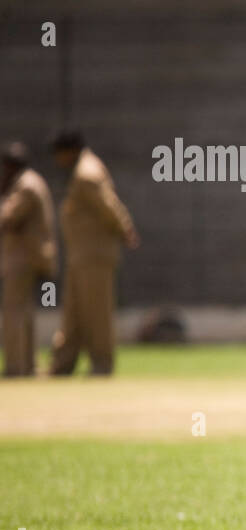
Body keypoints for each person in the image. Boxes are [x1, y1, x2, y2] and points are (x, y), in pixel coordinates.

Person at [47, 130, 140, 376]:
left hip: (94, 256)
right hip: (82, 255)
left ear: (70, 150)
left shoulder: (87, 173)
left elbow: (108, 206)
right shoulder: (83, 170)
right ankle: (63, 365)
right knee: (75, 314)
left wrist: (125, 228)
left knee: (97, 313)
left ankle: (102, 364)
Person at [0, 142, 58, 377]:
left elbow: (6, 217)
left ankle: (16, 366)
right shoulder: (33, 181)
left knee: (14, 310)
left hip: (23, 258)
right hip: (33, 256)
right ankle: (27, 365)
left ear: (10, 166)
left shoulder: (25, 185)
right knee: (24, 312)